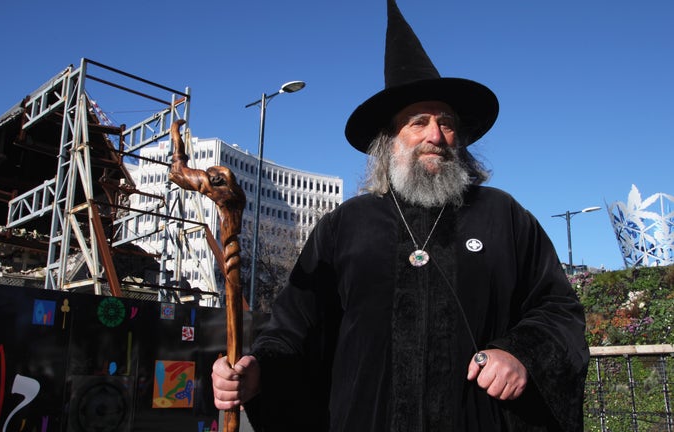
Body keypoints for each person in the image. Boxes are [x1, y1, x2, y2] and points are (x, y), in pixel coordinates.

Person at [212, 0, 589, 430]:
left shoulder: (503, 216)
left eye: (446, 123)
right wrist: (259, 370)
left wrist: (520, 353)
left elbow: (559, 310)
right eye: (418, 122)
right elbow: (294, 327)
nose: (436, 135)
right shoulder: (344, 226)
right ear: (389, 141)